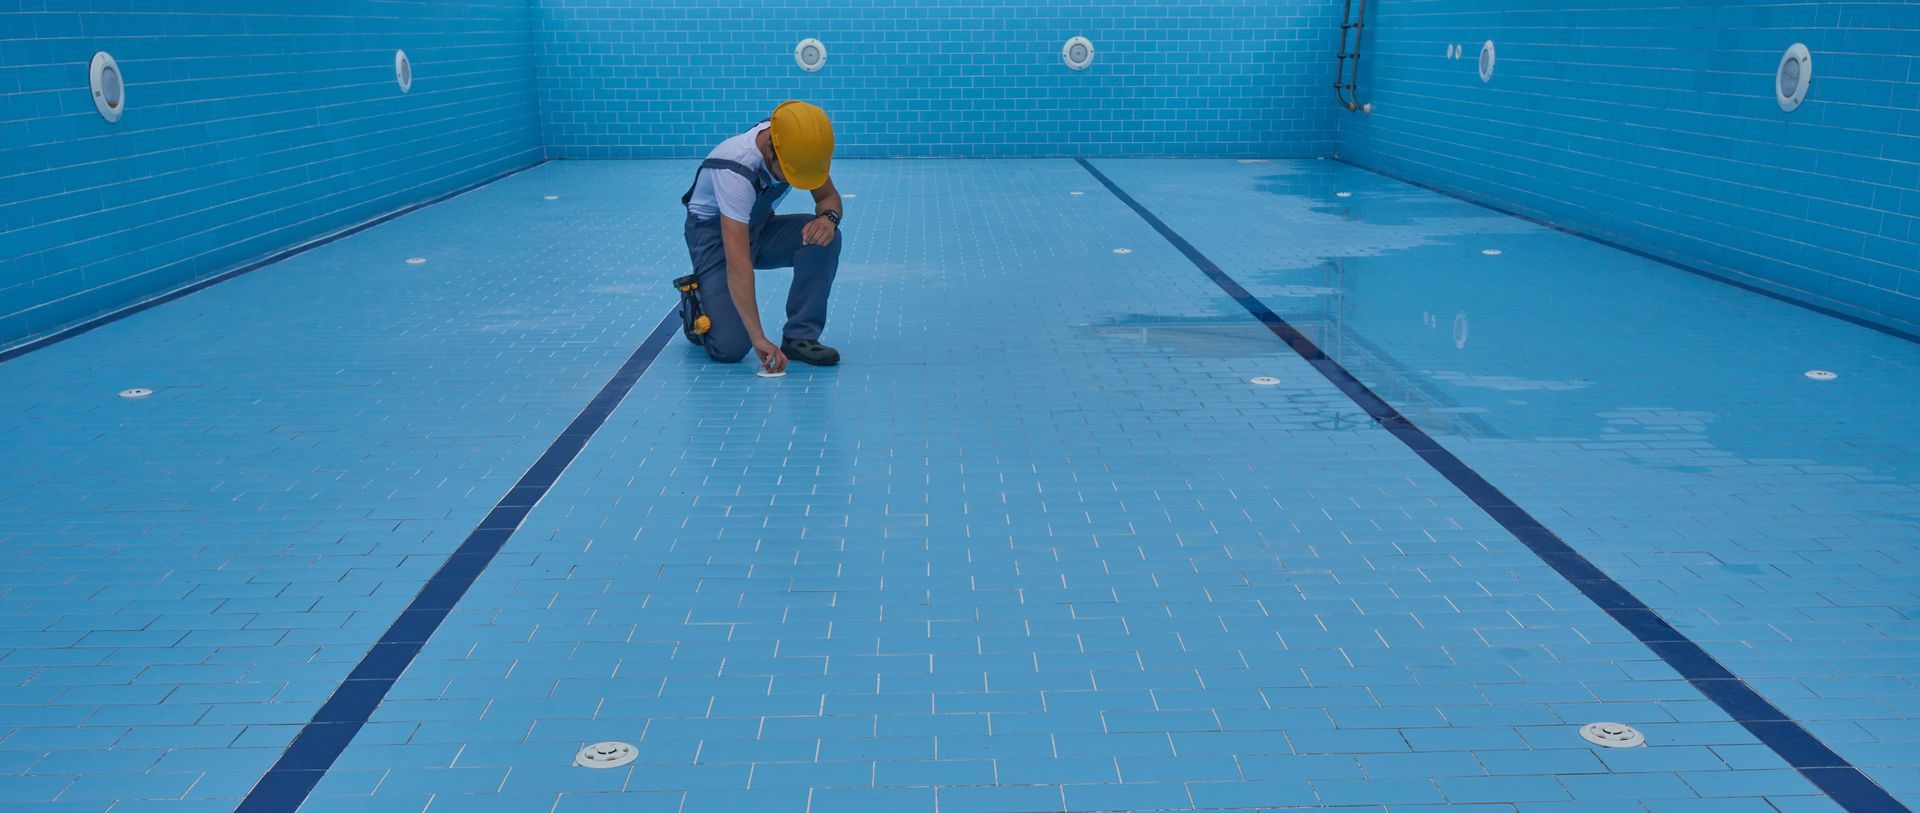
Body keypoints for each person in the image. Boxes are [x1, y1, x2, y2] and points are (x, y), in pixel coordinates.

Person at [676, 101, 843, 372]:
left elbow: (828, 197)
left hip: (759, 226)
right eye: (789, 174)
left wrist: (828, 219)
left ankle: (799, 337)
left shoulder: (797, 144)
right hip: (716, 239)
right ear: (770, 150)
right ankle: (696, 301)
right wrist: (758, 337)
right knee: (730, 348)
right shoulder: (734, 170)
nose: (794, 180)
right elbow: (739, 262)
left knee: (827, 238)